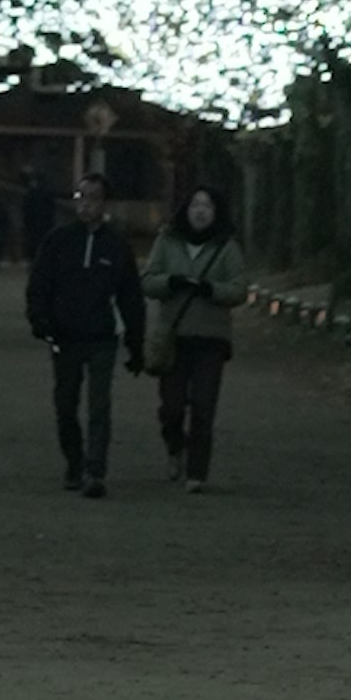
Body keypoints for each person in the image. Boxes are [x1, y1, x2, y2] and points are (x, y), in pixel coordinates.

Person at [26, 173, 143, 496]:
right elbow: (40, 285)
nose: (86, 203)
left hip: (102, 336)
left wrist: (136, 341)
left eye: (93, 197)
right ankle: (74, 461)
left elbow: (130, 295)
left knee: (99, 406)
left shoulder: (116, 245)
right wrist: (41, 320)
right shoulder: (58, 241)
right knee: (65, 404)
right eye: (81, 196)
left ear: (104, 203)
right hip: (64, 335)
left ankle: (95, 469)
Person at [144, 171, 249, 482]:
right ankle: (175, 447)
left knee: (204, 407)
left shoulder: (226, 247)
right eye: (195, 205)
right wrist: (170, 282)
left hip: (211, 339)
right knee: (172, 408)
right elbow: (147, 281)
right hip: (174, 337)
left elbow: (239, 288)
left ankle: (197, 473)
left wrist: (212, 290)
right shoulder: (167, 241)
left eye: (207, 206)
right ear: (185, 210)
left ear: (216, 212)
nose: (200, 212)